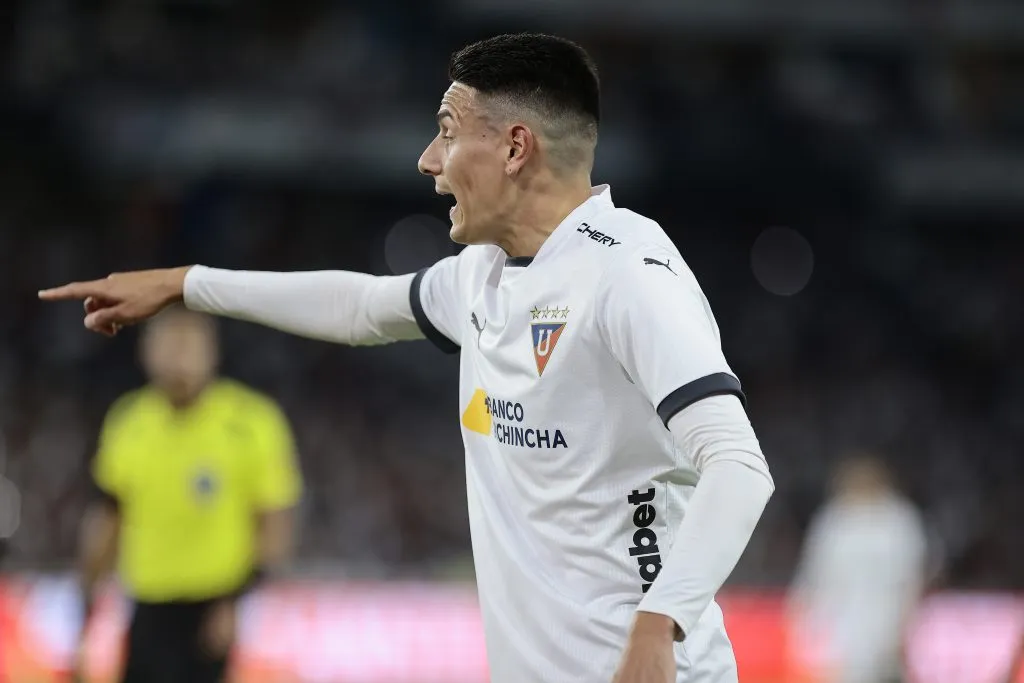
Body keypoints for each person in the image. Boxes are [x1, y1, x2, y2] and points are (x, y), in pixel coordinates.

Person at [41, 33, 774, 683]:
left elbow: (739, 465)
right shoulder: (483, 276)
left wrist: (658, 625)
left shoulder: (630, 276)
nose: (428, 161)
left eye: (447, 133)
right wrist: (186, 283)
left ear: (516, 148)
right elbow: (360, 307)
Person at [75, 307, 302, 683]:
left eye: (189, 345)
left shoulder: (252, 422)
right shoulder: (128, 421)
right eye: (168, 345)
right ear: (146, 353)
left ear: (212, 351)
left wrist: (237, 600)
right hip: (147, 603)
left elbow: (274, 523)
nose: (178, 358)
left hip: (215, 606)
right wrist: (88, 601)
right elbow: (107, 518)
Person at [789, 454, 928, 683]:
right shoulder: (834, 520)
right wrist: (805, 618)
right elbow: (814, 575)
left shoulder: (899, 520)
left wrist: (904, 624)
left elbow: (911, 579)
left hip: (886, 620)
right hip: (841, 625)